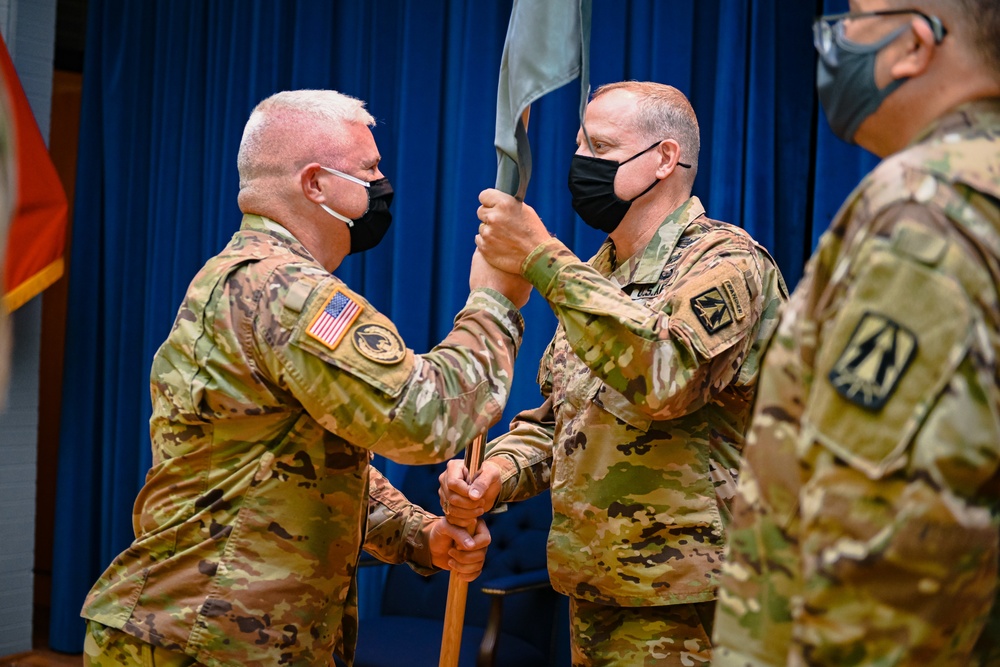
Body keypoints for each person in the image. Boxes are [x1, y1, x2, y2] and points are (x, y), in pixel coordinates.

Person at [80, 89, 532, 667]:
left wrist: (422, 534)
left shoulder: (250, 278)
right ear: (315, 184)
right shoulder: (284, 290)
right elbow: (426, 418)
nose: (382, 182)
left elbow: (307, 463)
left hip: (221, 634)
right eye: (369, 170)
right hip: (208, 639)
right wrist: (494, 301)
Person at [439, 81, 788, 666]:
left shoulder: (727, 263)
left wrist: (543, 259)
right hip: (598, 588)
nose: (581, 164)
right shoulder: (600, 275)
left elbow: (664, 376)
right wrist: (496, 472)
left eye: (600, 149)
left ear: (664, 158)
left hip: (695, 600)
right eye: (578, 147)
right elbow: (561, 420)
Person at [711, 1, 1000, 665]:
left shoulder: (926, 209)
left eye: (855, 17)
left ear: (913, 46)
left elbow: (888, 553)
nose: (834, 38)